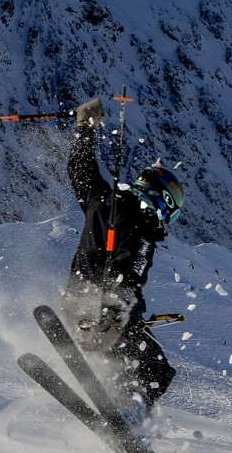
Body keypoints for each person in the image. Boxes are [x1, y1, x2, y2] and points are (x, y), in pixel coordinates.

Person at [63, 97, 184, 412]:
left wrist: (85, 128)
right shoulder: (143, 223)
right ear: (162, 200)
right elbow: (129, 262)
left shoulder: (103, 198)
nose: (164, 221)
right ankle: (128, 408)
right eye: (169, 212)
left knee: (126, 358)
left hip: (77, 300)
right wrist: (117, 311)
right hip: (109, 314)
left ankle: (115, 395)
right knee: (156, 369)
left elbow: (80, 170)